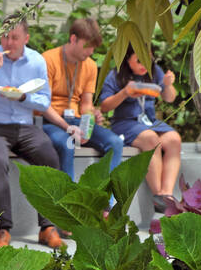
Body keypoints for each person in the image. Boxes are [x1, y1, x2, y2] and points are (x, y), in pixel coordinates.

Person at [0, 16, 63, 249]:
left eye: (14, 38)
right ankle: (3, 230)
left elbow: (44, 101)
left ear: (26, 39)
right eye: (5, 36)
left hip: (25, 127)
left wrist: (23, 97)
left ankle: (47, 226)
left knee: (49, 157)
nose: (8, 42)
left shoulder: (36, 61)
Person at [37, 18, 126, 183]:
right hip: (49, 120)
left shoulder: (90, 66)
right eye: (88, 45)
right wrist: (68, 127)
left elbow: (86, 104)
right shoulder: (47, 60)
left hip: (75, 120)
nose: (91, 51)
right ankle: (68, 202)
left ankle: (105, 203)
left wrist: (90, 121)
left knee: (115, 143)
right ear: (73, 39)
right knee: (66, 144)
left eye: (94, 47)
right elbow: (43, 106)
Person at [99, 45, 182, 208]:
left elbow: (169, 98)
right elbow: (104, 106)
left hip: (150, 121)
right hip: (126, 122)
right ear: (127, 59)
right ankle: (158, 195)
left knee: (174, 139)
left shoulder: (154, 71)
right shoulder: (115, 75)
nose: (145, 64)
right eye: (139, 60)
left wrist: (168, 84)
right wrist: (124, 93)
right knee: (151, 139)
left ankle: (167, 194)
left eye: (148, 59)